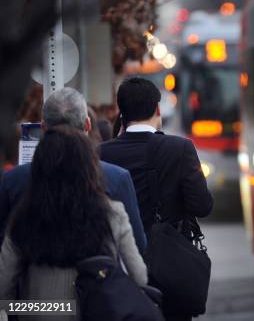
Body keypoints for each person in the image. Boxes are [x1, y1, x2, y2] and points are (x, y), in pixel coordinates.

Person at [0, 126, 148, 321]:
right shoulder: (111, 213)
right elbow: (140, 277)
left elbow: (3, 287)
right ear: (89, 167)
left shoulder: (23, 216)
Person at [100, 77, 214, 321]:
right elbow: (202, 206)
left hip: (119, 267)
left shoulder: (102, 153)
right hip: (171, 268)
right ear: (157, 109)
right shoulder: (180, 148)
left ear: (122, 112)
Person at [0, 88, 147, 254]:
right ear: (87, 125)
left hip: (31, 277)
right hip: (98, 277)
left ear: (43, 127)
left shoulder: (13, 180)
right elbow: (137, 246)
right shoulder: (117, 178)